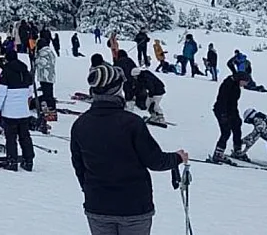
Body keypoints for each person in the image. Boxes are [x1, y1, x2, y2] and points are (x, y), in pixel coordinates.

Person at [71, 64, 187, 235]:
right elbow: (154, 160)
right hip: (134, 207)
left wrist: (91, 191)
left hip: (98, 206)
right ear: (117, 89)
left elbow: (78, 166)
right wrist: (177, 158)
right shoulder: (132, 123)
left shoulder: (80, 124)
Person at [0, 51, 34, 171]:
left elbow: (1, 93)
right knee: (25, 137)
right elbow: (30, 92)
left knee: (11, 138)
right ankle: (29, 160)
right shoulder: (25, 71)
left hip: (10, 112)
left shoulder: (5, 72)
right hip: (24, 112)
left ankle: (12, 161)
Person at [211, 71, 251, 163]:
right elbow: (222, 100)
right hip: (221, 110)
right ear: (240, 79)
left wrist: (237, 116)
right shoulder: (227, 85)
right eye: (245, 82)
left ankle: (237, 150)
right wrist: (223, 115)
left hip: (231, 111)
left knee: (237, 128)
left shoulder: (236, 86)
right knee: (226, 132)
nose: (246, 84)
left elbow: (234, 103)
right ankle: (218, 154)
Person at [35, 36, 57, 111]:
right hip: (50, 76)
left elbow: (43, 63)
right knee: (49, 92)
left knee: (47, 93)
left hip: (45, 76)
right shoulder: (50, 52)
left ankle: (50, 106)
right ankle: (50, 105)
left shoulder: (43, 53)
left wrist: (36, 60)